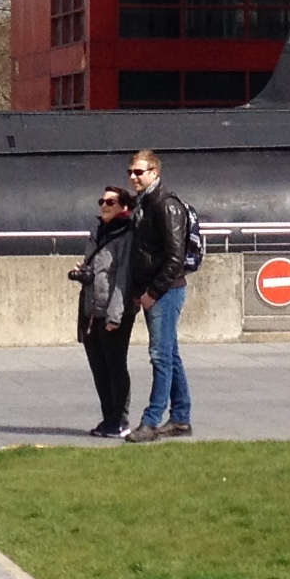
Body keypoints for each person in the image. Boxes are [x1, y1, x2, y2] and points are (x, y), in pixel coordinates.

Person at [122, 147, 198, 440]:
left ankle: (151, 421)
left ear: (155, 173)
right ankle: (180, 418)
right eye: (130, 172)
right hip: (152, 290)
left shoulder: (166, 205)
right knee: (170, 355)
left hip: (165, 292)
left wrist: (153, 291)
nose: (133, 177)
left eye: (139, 172)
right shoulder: (145, 203)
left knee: (160, 356)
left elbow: (174, 257)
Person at [71, 186, 137, 436]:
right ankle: (108, 417)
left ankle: (120, 419)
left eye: (111, 202)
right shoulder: (97, 231)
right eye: (102, 201)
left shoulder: (127, 234)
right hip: (91, 308)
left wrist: (115, 315)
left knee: (115, 365)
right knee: (98, 366)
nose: (104, 206)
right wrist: (85, 273)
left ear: (124, 206)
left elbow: (123, 277)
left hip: (114, 310)